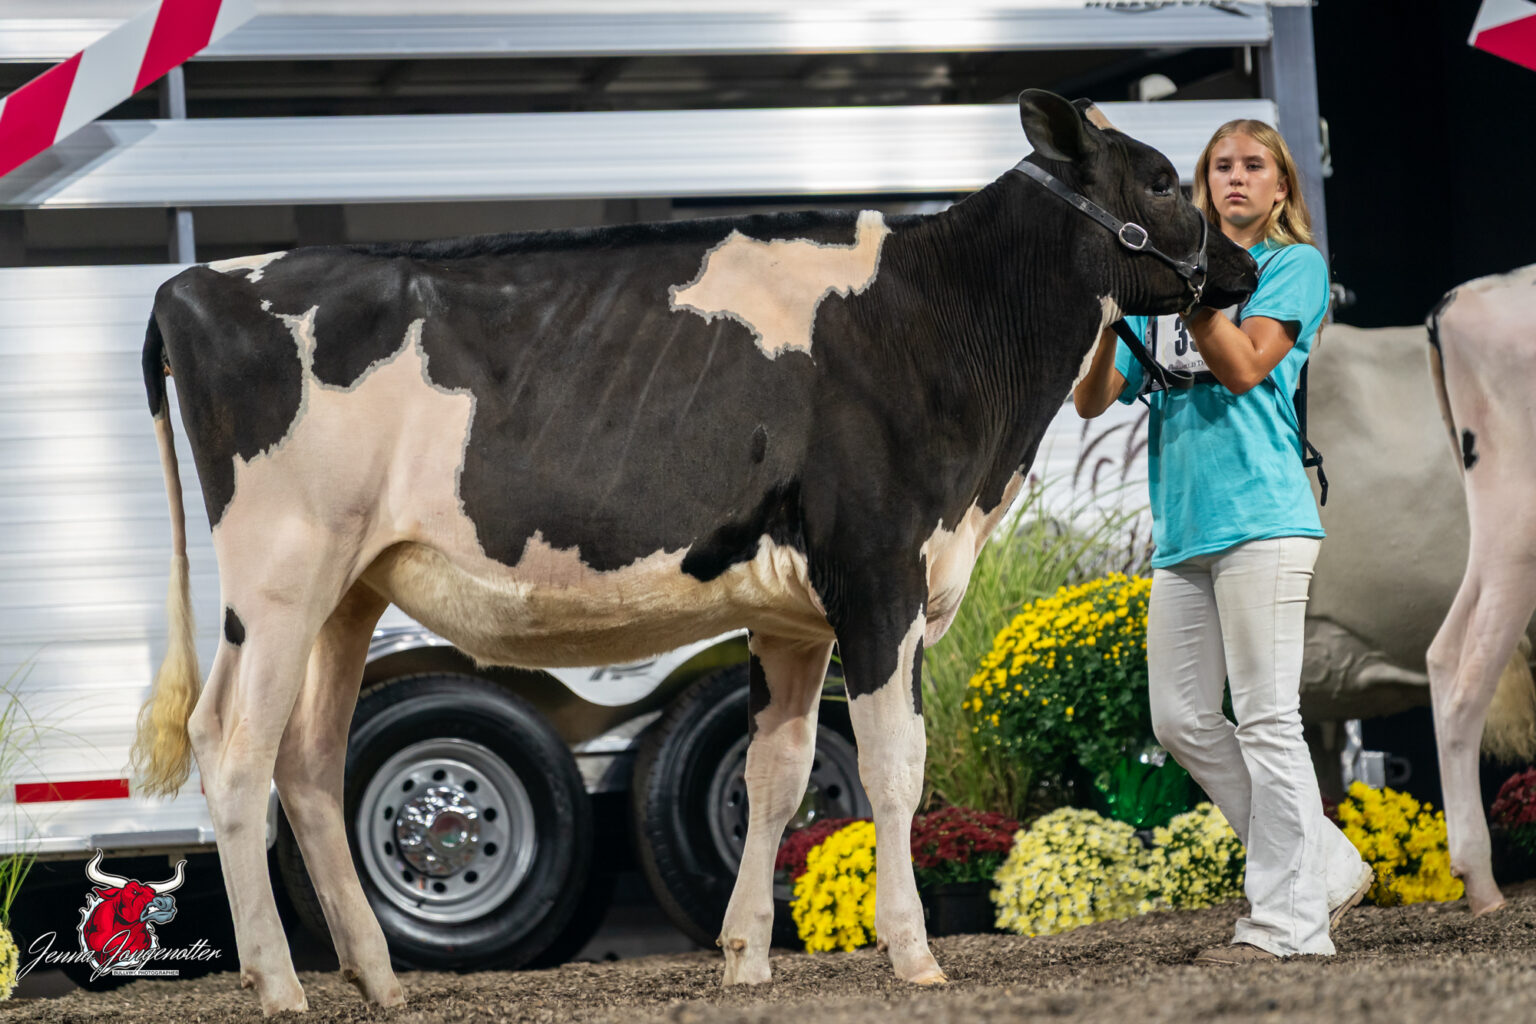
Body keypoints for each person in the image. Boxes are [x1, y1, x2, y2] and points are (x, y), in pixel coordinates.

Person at [1073, 119, 1372, 964]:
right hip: (1185, 531)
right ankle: (1325, 864)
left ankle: (1288, 925)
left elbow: (1243, 368)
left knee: (1268, 719)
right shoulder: (1168, 282)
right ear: (1204, 184)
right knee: (1181, 720)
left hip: (1264, 521)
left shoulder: (1291, 267)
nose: (1236, 178)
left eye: (1254, 166)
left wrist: (1185, 286)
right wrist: (1113, 314)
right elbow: (1091, 401)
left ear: (1281, 187)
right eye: (1221, 167)